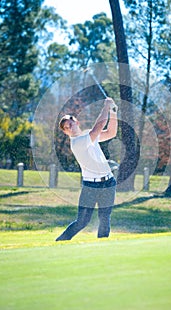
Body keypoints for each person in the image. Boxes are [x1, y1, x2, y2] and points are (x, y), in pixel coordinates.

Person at [56, 98, 118, 241]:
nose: (70, 128)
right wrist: (106, 107)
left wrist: (113, 113)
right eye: (67, 128)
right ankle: (61, 241)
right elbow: (99, 126)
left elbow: (111, 133)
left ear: (77, 122)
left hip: (108, 182)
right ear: (66, 133)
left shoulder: (88, 135)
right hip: (90, 185)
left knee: (104, 217)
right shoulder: (77, 142)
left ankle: (102, 247)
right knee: (82, 221)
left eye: (71, 124)